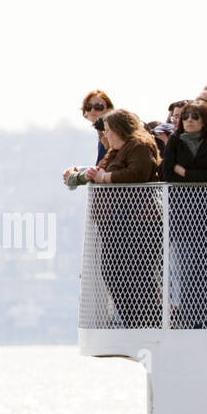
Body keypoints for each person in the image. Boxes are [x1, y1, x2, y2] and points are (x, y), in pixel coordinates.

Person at [85, 110, 163, 327]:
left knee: (140, 272)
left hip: (140, 221)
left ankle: (149, 318)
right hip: (113, 222)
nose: (106, 135)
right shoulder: (114, 151)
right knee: (111, 270)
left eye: (108, 131)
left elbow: (137, 173)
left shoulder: (141, 145)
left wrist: (106, 178)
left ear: (119, 129)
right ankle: (131, 318)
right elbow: (99, 169)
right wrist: (88, 174)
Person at [160, 101, 207, 328]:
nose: (189, 120)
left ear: (204, 121)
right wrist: (199, 174)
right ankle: (188, 320)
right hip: (180, 214)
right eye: (186, 116)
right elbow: (167, 173)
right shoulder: (175, 141)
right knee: (185, 271)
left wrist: (185, 171)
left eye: (195, 117)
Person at [81, 89, 113, 163]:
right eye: (88, 107)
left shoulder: (114, 133)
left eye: (98, 107)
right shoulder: (101, 134)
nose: (92, 110)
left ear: (109, 110)